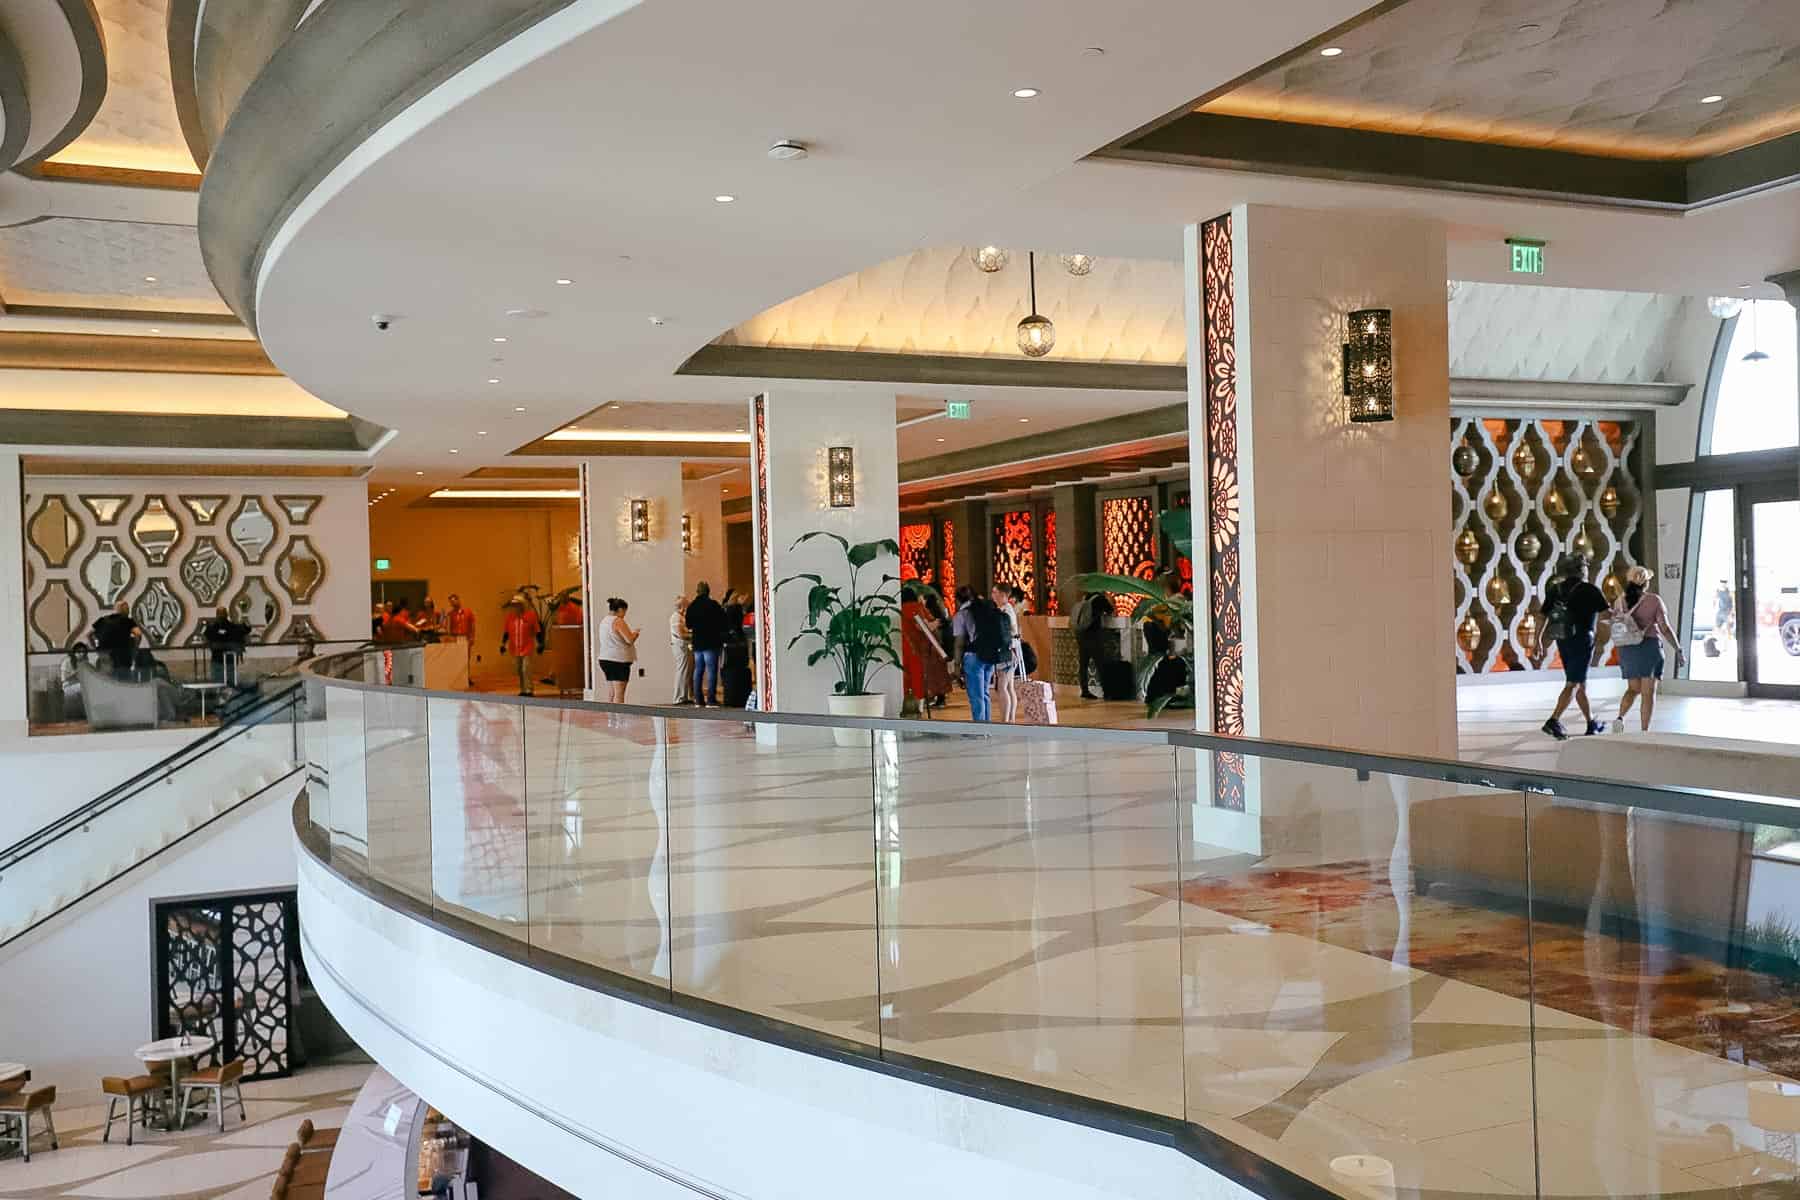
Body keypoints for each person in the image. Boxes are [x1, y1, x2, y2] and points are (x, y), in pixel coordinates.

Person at [1600, 564, 1684, 733]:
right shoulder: (1654, 600)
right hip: (1649, 648)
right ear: (1646, 583)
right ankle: (1644, 730)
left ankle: (1620, 718)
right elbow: (1665, 628)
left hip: (1628, 649)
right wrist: (1678, 649)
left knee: (1632, 689)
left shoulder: (1619, 601)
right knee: (1648, 693)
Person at [1540, 553, 1610, 740]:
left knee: (1579, 682)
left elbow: (1543, 616)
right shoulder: (1590, 590)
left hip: (1562, 639)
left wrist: (1539, 640)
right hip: (1582, 641)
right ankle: (1554, 720)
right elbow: (1606, 615)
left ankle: (1591, 723)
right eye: (1586, 566)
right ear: (1582, 569)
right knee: (1574, 683)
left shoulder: (1555, 589)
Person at [953, 585, 1010, 723]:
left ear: (957, 600)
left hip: (973, 657)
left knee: (976, 696)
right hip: (989, 655)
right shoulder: (985, 610)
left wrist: (956, 664)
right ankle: (986, 727)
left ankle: (979, 729)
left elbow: (959, 642)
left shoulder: (962, 614)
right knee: (984, 694)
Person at [685, 582, 728, 706]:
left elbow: (688, 625)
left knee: (698, 670)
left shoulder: (692, 606)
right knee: (711, 671)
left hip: (697, 642)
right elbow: (723, 621)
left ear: (697, 591)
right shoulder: (713, 605)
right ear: (708, 591)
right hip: (711, 642)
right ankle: (710, 699)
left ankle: (698, 700)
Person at [1072, 588, 1116, 700]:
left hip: (1081, 635)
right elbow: (1111, 611)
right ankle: (1107, 692)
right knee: (1101, 663)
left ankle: (1084, 690)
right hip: (1093, 636)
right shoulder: (1100, 599)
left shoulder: (1084, 599)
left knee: (1083, 664)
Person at [596, 596, 640, 703]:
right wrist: (636, 633)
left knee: (612, 692)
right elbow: (629, 639)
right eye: (624, 611)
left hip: (605, 659)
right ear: (620, 609)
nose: (625, 614)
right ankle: (619, 719)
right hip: (618, 660)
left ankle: (612, 718)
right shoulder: (618, 621)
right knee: (619, 694)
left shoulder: (604, 621)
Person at [990, 583, 1022, 722]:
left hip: (1006, 652)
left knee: (1002, 687)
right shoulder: (1006, 609)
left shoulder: (1005, 611)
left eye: (994, 592)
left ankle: (1005, 720)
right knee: (1009, 687)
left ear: (1003, 595)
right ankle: (1011, 719)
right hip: (1011, 650)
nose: (992, 595)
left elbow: (1005, 633)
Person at [500, 598, 541, 696]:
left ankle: (529, 690)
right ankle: (523, 689)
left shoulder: (531, 616)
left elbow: (537, 631)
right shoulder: (510, 617)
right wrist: (503, 644)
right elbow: (506, 632)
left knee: (526, 669)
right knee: (519, 670)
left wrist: (540, 643)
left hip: (527, 647)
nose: (514, 607)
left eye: (517, 605)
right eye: (513, 605)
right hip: (515, 648)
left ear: (522, 605)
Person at [201, 605, 251, 683]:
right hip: (227, 658)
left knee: (220, 681)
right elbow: (245, 630)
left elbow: (207, 635)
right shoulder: (232, 627)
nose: (221, 616)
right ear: (227, 615)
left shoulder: (213, 628)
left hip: (219, 658)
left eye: (221, 614)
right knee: (229, 680)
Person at [91, 601, 141, 677]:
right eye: (127, 609)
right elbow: (138, 634)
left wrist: (95, 649)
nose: (128, 611)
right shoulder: (127, 620)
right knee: (123, 682)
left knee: (106, 682)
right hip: (122, 658)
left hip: (105, 658)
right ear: (122, 610)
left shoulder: (103, 620)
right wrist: (134, 649)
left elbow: (88, 635)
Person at [669, 594, 694, 704]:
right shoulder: (676, 617)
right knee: (682, 670)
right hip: (680, 646)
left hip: (685, 646)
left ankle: (685, 696)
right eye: (687, 605)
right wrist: (694, 635)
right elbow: (681, 634)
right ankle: (678, 697)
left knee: (687, 671)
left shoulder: (681, 617)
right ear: (682, 606)